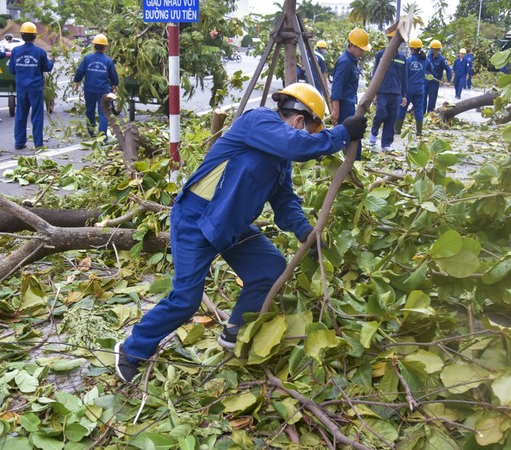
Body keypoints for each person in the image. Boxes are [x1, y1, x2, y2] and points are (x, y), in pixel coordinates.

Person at [114, 83, 368, 382]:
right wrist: (341, 134)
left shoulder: (280, 160)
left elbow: (285, 201)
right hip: (196, 220)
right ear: (300, 120)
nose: (307, 137)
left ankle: (234, 332)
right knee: (186, 299)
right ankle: (132, 349)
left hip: (231, 226)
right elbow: (298, 146)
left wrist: (306, 233)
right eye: (311, 131)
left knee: (270, 267)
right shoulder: (258, 121)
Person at [9, 22, 54, 150]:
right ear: (34, 36)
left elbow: (12, 70)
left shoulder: (15, 51)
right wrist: (52, 61)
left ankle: (19, 142)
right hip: (35, 88)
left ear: (22, 35)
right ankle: (38, 143)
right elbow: (47, 67)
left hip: (21, 88)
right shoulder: (40, 52)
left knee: (21, 115)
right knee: (37, 116)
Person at [331, 28, 370, 160]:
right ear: (352, 45)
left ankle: (354, 163)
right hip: (344, 106)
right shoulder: (345, 62)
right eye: (361, 49)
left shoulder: (351, 61)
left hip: (349, 104)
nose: (362, 52)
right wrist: (335, 110)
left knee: (354, 135)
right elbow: (337, 87)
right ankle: (351, 162)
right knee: (350, 135)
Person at [73, 33, 119, 140]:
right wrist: (115, 85)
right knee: (103, 113)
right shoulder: (108, 60)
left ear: (94, 46)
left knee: (90, 111)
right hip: (103, 91)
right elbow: (113, 75)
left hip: (89, 89)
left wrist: (77, 82)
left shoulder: (87, 58)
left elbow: (80, 71)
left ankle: (91, 132)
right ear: (105, 47)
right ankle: (102, 137)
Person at [369, 32, 407, 152]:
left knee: (392, 118)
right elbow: (375, 74)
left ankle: (386, 143)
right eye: (391, 39)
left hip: (396, 93)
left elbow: (404, 78)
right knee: (381, 113)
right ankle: (373, 134)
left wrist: (404, 95)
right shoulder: (380, 55)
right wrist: (373, 92)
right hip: (382, 91)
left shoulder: (402, 58)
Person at [401, 38, 433, 138]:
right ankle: (419, 132)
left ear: (412, 49)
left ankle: (397, 130)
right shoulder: (425, 60)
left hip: (409, 89)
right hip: (420, 89)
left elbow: (404, 74)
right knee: (419, 110)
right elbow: (431, 68)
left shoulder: (408, 60)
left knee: (402, 108)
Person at [424, 39, 452, 113]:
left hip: (434, 83)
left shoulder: (442, 59)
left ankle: (430, 114)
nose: (430, 50)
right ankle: (422, 114)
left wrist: (448, 80)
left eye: (431, 48)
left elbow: (448, 70)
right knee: (423, 99)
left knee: (432, 100)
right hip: (425, 81)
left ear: (436, 49)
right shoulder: (427, 57)